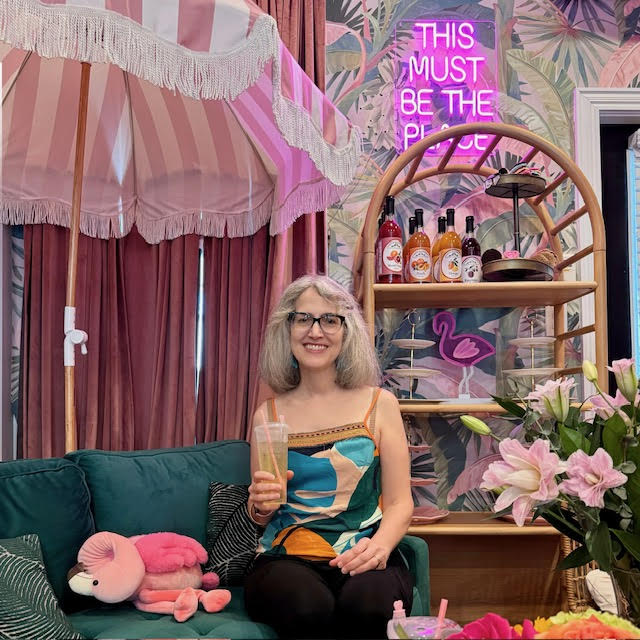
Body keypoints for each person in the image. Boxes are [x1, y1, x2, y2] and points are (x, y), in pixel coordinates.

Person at [244, 274, 414, 639]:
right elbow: (262, 512)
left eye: (330, 319)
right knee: (306, 606)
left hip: (365, 552)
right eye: (303, 318)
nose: (315, 331)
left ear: (346, 330)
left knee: (370, 604)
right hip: (285, 559)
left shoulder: (380, 405)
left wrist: (380, 547)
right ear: (287, 329)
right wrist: (259, 506)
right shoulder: (268, 416)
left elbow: (401, 503)